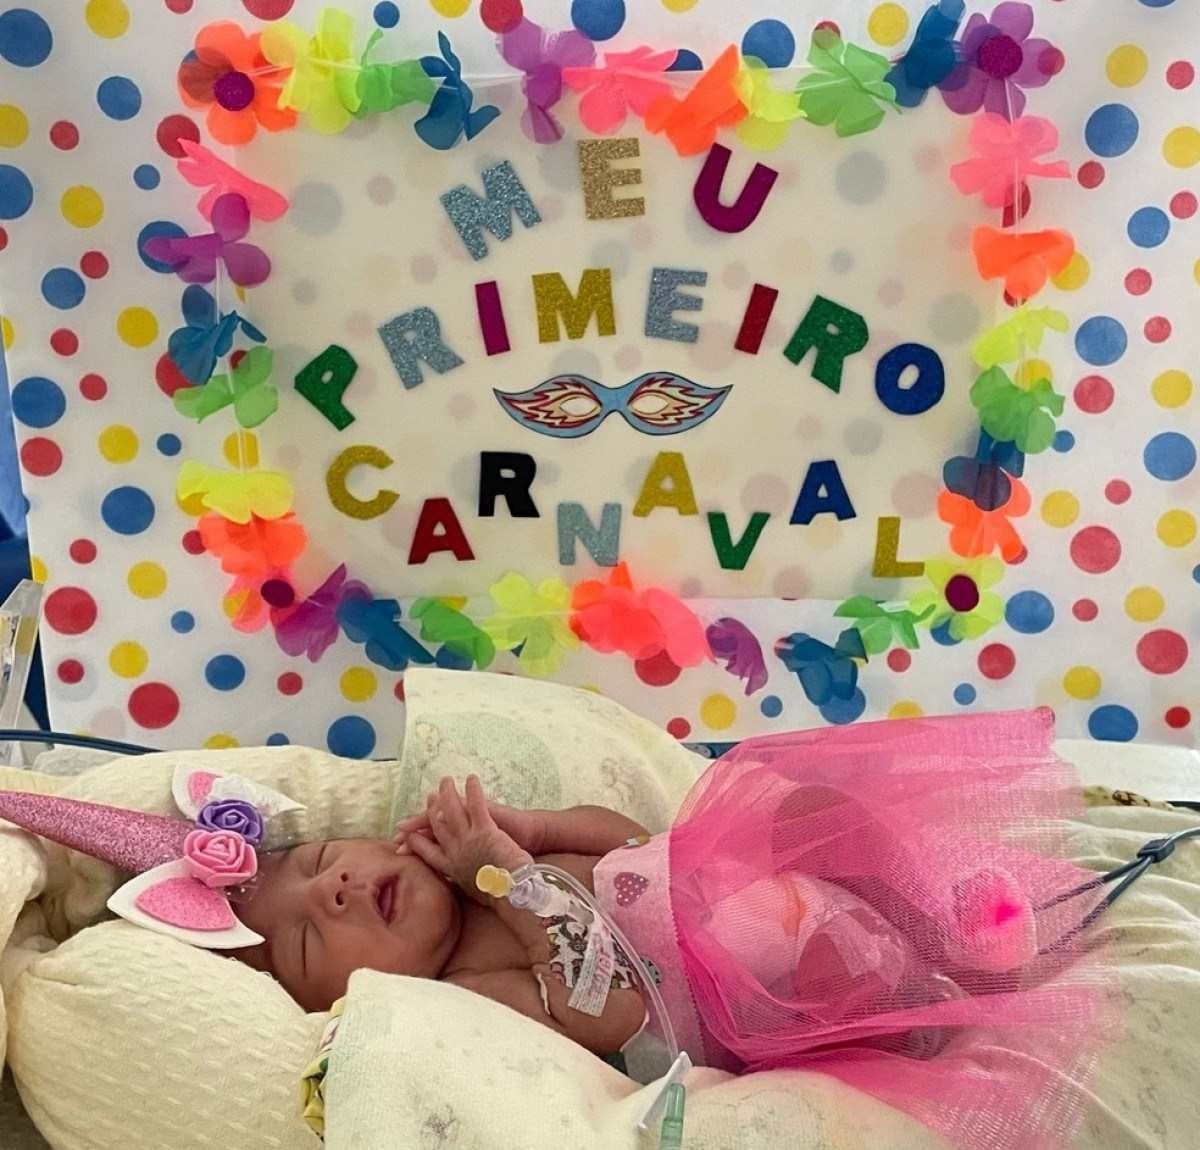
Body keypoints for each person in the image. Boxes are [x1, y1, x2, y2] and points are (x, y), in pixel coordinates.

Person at [235, 779, 653, 1057]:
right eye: (305, 941)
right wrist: (509, 883)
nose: (330, 887)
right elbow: (611, 1016)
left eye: (319, 860)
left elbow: (640, 844)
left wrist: (541, 829)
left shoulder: (487, 847)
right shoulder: (466, 990)